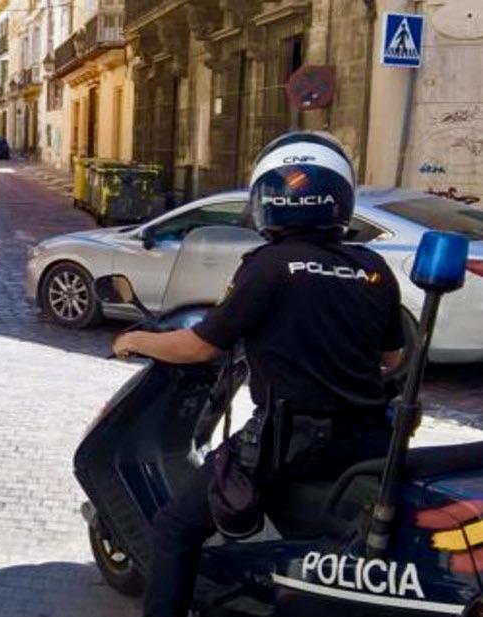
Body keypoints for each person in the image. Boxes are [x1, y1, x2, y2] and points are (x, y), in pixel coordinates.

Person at [111, 132, 405, 617]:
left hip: (287, 447)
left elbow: (200, 345)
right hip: (367, 441)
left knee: (175, 528)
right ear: (341, 197)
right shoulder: (373, 268)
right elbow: (391, 359)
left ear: (267, 197)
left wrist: (133, 340)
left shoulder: (268, 265)